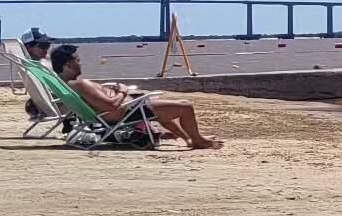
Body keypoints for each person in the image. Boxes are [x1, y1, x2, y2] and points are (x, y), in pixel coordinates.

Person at [49, 44, 223, 150]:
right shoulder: (80, 84)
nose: (80, 63)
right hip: (126, 112)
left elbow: (103, 103)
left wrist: (113, 89)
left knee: (159, 107)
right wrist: (123, 91)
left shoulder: (68, 84)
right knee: (185, 106)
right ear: (70, 64)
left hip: (127, 110)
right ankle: (199, 140)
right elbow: (110, 106)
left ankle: (188, 137)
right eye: (77, 60)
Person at [19, 28, 54, 121]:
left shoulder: (29, 65)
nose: (46, 50)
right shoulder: (38, 66)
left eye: (48, 46)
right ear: (28, 47)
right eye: (43, 46)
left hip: (39, 104)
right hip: (54, 103)